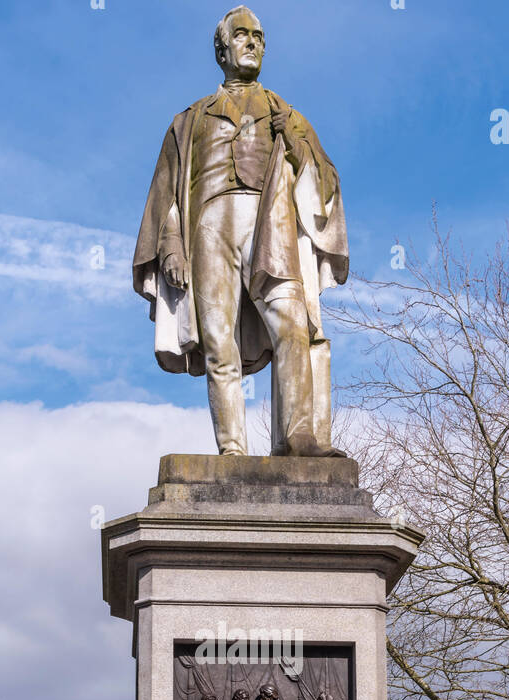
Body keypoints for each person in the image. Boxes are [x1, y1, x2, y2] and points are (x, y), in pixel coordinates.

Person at [133, 8, 349, 457]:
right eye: (242, 36)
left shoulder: (285, 113)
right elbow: (167, 191)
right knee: (218, 339)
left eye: (259, 37)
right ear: (221, 50)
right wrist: (171, 242)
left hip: (271, 222)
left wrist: (292, 142)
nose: (252, 43)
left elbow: (325, 182)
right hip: (209, 226)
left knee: (291, 324)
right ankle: (233, 451)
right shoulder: (189, 120)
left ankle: (299, 437)